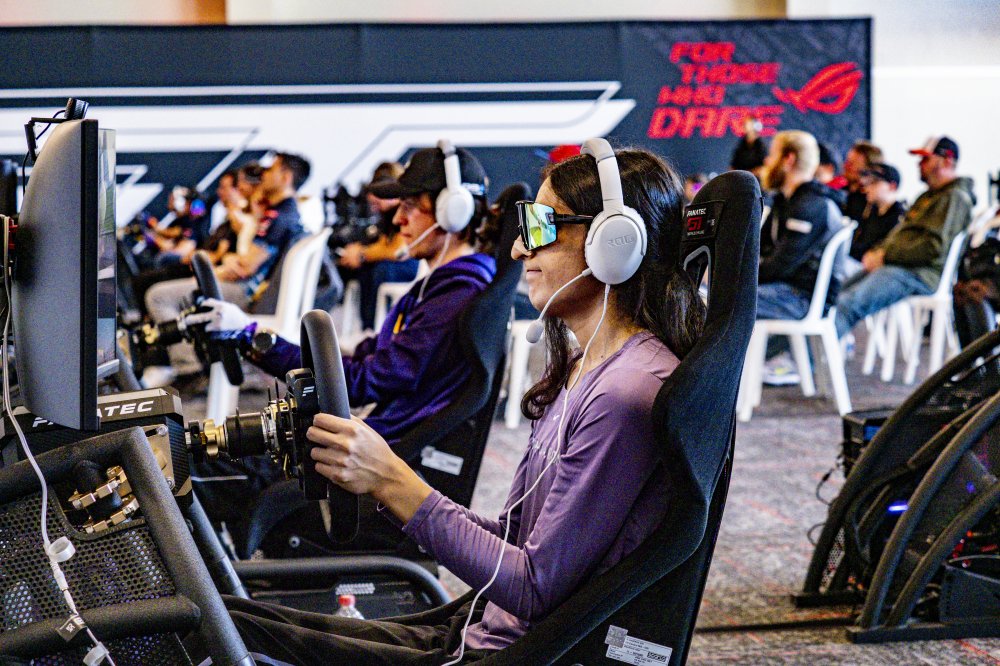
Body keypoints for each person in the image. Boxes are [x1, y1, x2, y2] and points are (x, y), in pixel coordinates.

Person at [185, 142, 706, 665]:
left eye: (541, 226)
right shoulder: (585, 368)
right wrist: (388, 485)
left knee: (206, 636)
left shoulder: (624, 393)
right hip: (476, 632)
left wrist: (390, 479)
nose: (519, 250)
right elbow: (515, 539)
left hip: (498, 654)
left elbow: (533, 587)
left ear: (613, 242)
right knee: (214, 621)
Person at [187, 145, 501, 540]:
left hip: (365, 463)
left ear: (452, 211)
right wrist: (258, 338)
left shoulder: (456, 295)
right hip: (365, 441)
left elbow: (363, 381)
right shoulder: (439, 286)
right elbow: (370, 359)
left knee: (189, 468)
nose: (398, 219)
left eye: (410, 207)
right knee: (202, 451)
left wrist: (252, 335)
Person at [141, 153, 308, 387]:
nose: (264, 175)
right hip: (246, 287)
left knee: (158, 296)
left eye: (271, 170)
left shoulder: (279, 216)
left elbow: (245, 267)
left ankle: (189, 369)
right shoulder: (279, 212)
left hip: (245, 292)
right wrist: (229, 260)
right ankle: (182, 363)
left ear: (286, 177)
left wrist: (227, 263)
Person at [835, 136, 975, 340]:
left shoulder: (955, 198)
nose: (920, 164)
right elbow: (900, 235)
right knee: (835, 297)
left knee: (848, 304)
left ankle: (814, 358)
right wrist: (879, 253)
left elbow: (932, 247)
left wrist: (885, 256)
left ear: (946, 161)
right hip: (901, 267)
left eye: (926, 159)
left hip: (919, 274)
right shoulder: (930, 196)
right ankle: (812, 353)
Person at [756, 130, 844, 384]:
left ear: (789, 159)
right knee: (709, 295)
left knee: (714, 300)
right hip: (787, 290)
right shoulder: (786, 201)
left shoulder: (810, 206)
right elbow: (758, 249)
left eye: (772, 154)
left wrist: (727, 279)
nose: (766, 162)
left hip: (801, 298)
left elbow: (780, 266)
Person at [337, 162, 421, 331]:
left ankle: (376, 329)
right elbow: (383, 245)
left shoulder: (405, 209)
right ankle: (367, 329)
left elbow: (398, 251)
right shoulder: (387, 215)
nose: (371, 198)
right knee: (364, 267)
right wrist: (359, 253)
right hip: (395, 263)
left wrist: (361, 254)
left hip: (411, 265)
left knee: (380, 269)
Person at [844, 162, 905, 277]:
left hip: (871, 271)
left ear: (892, 186)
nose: (867, 187)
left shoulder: (899, 219)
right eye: (868, 181)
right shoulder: (871, 210)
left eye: (874, 182)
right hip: (857, 263)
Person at [842, 140, 883, 223]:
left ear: (870, 169)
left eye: (852, 164)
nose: (845, 166)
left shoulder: (872, 204)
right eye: (847, 161)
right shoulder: (840, 190)